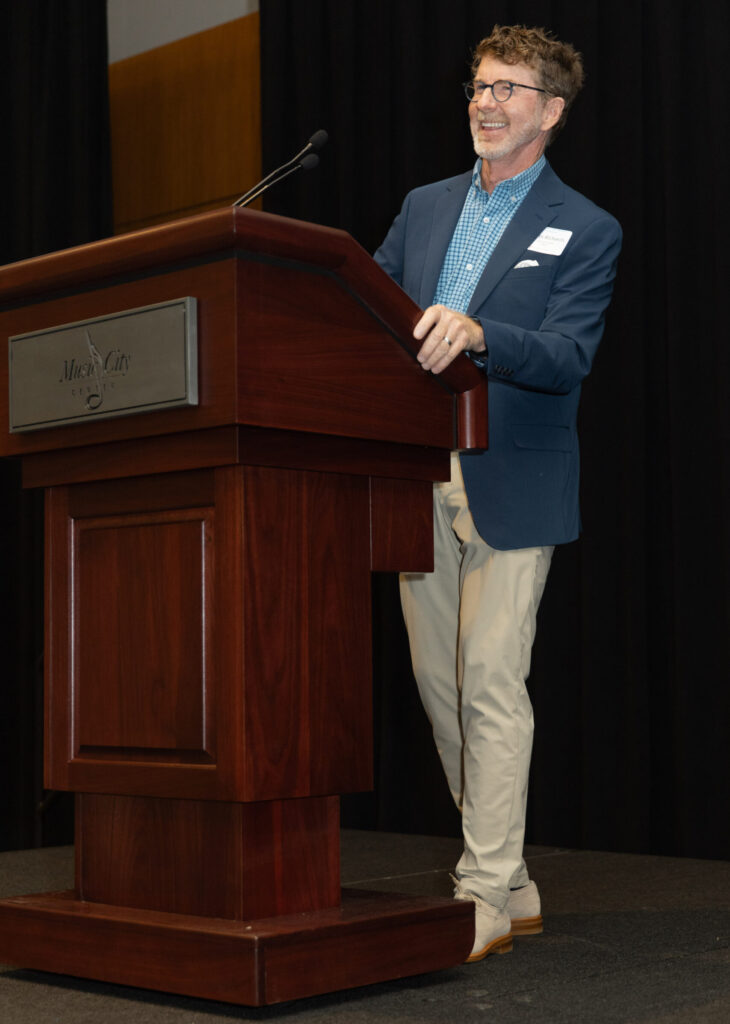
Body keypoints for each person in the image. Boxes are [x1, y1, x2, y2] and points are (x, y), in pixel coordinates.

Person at [374, 24, 621, 962]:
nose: (486, 102)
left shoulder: (585, 227)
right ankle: (512, 881)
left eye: (508, 88)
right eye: (480, 86)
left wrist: (480, 334)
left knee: (488, 679)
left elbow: (567, 357)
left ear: (550, 111)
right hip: (417, 472)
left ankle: (479, 890)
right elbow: (371, 307)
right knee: (440, 688)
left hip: (514, 480)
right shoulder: (425, 205)